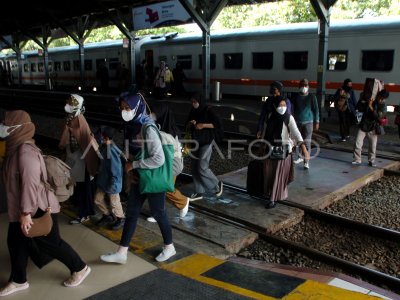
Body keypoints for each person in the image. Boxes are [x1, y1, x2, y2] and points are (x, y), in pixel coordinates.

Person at [0, 110, 90, 297]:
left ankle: (80, 268)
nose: (3, 128)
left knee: (51, 244)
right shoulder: (14, 148)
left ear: (17, 129)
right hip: (23, 208)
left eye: (6, 125)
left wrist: (25, 213)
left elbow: (30, 185)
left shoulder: (25, 152)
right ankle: (18, 280)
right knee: (16, 242)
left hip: (36, 207)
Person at [100, 91, 176, 264]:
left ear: (137, 107)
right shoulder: (137, 124)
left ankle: (169, 247)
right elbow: (141, 153)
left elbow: (159, 158)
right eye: (122, 108)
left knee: (158, 212)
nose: (124, 111)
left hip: (153, 178)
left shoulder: (148, 127)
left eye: (128, 108)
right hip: (141, 176)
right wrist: (134, 170)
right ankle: (122, 252)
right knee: (132, 212)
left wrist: (133, 166)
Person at [59, 94, 99, 224]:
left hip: (82, 161)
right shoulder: (72, 118)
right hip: (75, 158)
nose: (67, 104)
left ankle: (84, 213)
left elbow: (86, 144)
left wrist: (91, 166)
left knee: (83, 187)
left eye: (71, 103)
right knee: (77, 185)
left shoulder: (79, 121)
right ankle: (80, 209)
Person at [262, 99, 310, 208]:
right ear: (275, 106)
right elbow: (266, 132)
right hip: (269, 150)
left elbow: (296, 133)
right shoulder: (270, 116)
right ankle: (271, 194)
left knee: (277, 176)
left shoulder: (288, 117)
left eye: (284, 105)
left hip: (283, 152)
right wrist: (262, 146)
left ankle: (272, 199)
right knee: (269, 174)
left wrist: (304, 148)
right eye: (280, 105)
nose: (282, 107)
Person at [147, 103, 191, 221]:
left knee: (164, 188)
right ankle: (157, 213)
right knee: (160, 188)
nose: (151, 115)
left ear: (162, 115)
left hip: (172, 163)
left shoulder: (169, 132)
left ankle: (183, 202)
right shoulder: (162, 126)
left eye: (154, 113)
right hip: (166, 163)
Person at [185, 93, 223, 200]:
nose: (193, 104)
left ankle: (216, 184)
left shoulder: (209, 110)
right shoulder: (193, 111)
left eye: (195, 102)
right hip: (196, 141)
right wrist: (191, 123)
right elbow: (187, 123)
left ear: (200, 101)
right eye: (192, 102)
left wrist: (203, 125)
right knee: (194, 167)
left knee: (202, 166)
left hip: (206, 141)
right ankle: (199, 191)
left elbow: (218, 124)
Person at [94, 126, 125, 230]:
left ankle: (120, 218)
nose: (98, 137)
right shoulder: (105, 147)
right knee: (97, 199)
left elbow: (115, 170)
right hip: (103, 180)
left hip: (112, 182)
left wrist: (113, 183)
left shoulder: (110, 150)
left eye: (100, 136)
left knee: (114, 202)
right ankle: (108, 215)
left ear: (105, 137)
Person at [352, 89, 389, 167]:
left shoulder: (383, 106)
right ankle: (357, 159)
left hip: (373, 127)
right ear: (378, 95)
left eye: (383, 99)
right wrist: (361, 99)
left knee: (372, 146)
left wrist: (371, 107)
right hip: (363, 125)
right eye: (380, 97)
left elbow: (378, 117)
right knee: (357, 143)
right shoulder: (370, 100)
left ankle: (371, 161)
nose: (381, 100)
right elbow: (359, 108)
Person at [292, 78, 319, 169]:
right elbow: (293, 109)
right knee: (299, 141)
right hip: (297, 122)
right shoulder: (295, 97)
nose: (304, 87)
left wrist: (317, 121)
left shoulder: (312, 97)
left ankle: (306, 161)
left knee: (307, 141)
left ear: (308, 86)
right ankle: (300, 157)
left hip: (309, 122)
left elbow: (316, 110)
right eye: (302, 85)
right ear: (299, 86)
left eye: (305, 85)